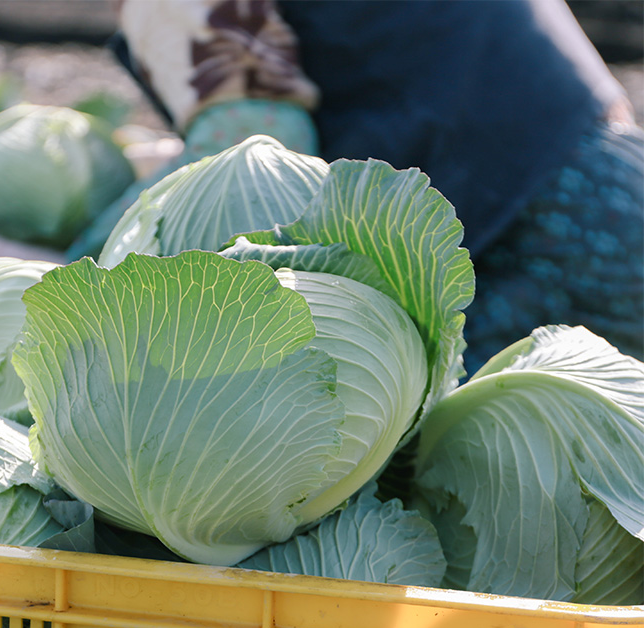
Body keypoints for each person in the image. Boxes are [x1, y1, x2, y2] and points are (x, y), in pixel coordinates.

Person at [112, 0, 644, 373]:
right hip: (612, 175)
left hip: (525, 235)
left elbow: (264, 146)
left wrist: (87, 263)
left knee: (404, 465)